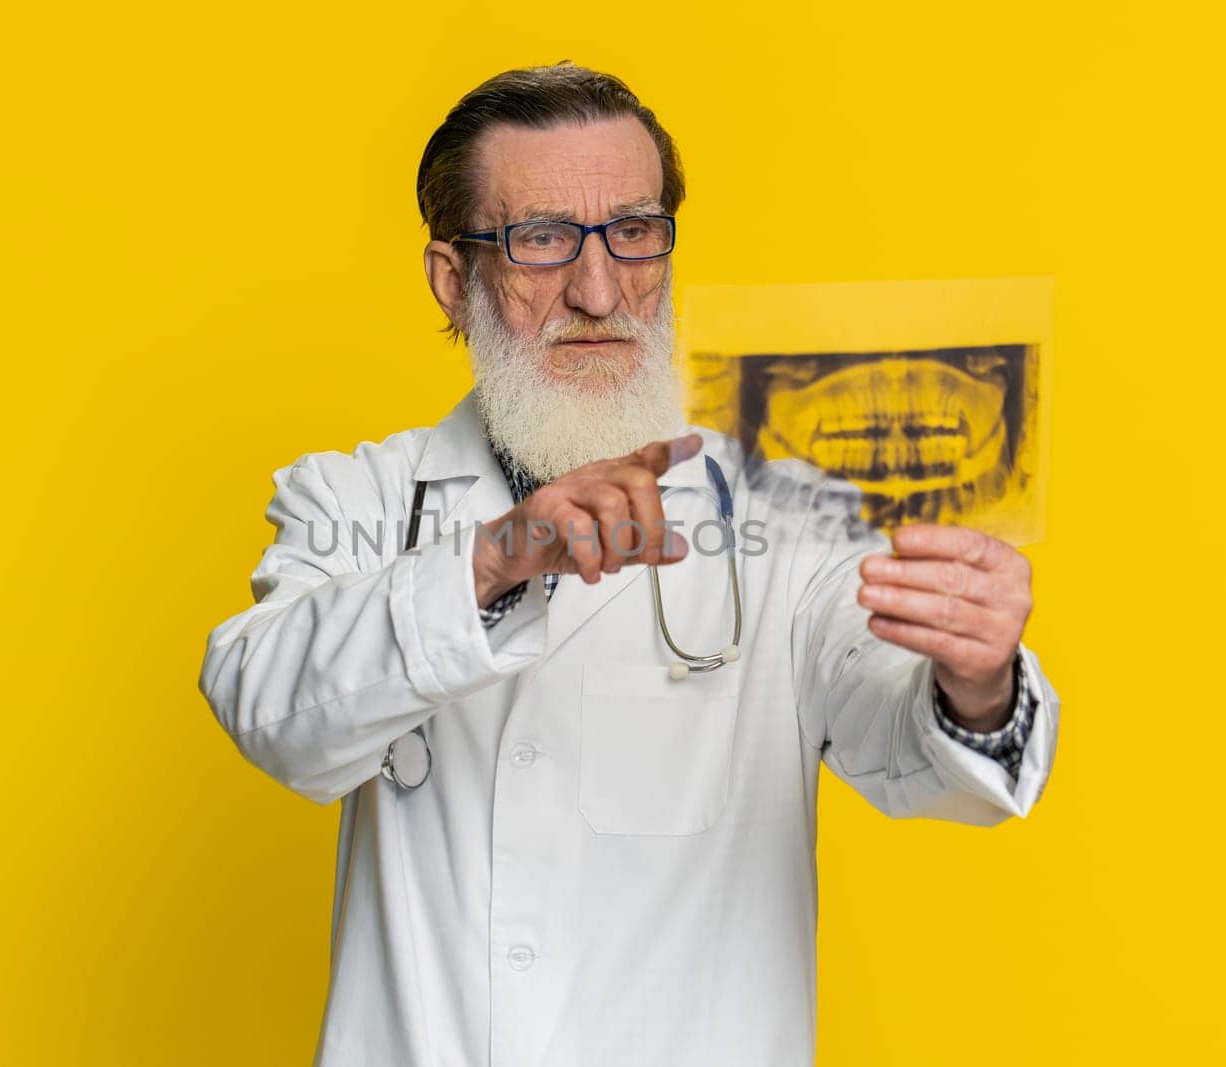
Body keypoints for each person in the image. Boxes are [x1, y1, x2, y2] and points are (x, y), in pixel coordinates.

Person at [198, 62, 1059, 1067]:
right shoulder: (359, 498)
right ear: (452, 277)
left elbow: (906, 741)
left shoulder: (790, 515)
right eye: (541, 239)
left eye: (634, 232)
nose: (600, 290)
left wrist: (975, 678)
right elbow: (268, 707)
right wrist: (499, 558)